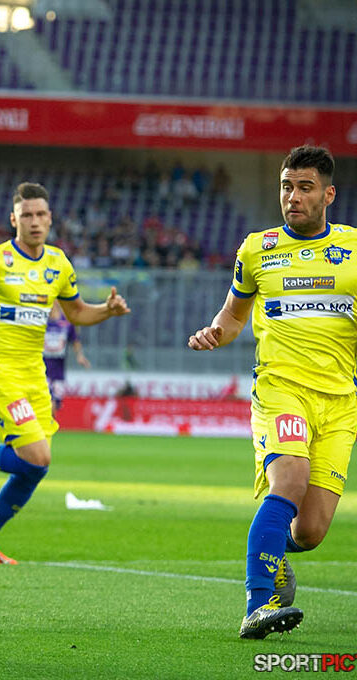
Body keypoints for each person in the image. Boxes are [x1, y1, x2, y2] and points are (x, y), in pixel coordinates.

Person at [188, 146, 356, 640]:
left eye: (305, 187)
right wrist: (214, 332)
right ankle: (257, 605)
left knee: (311, 531)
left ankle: (275, 549)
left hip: (341, 402)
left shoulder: (352, 249)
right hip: (281, 389)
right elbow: (234, 315)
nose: (293, 196)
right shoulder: (257, 248)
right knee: (291, 478)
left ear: (328, 194)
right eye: (286, 186)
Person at [0, 182, 129, 564]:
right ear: (14, 219)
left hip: (34, 374)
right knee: (36, 455)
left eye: (41, 214)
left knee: (36, 468)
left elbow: (76, 313)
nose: (35, 221)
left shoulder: (58, 263)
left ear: (50, 218)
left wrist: (106, 310)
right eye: (27, 215)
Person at [44, 301, 91, 415]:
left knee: (55, 406)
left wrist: (80, 356)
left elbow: (75, 340)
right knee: (45, 403)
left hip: (58, 371)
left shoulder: (67, 323)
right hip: (41, 369)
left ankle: (47, 430)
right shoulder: (40, 321)